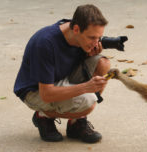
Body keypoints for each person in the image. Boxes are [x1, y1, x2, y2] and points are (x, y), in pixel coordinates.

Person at [13, 4, 111, 143]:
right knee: (89, 102)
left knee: (103, 63)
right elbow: (46, 94)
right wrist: (86, 87)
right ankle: (43, 116)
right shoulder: (45, 43)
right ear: (76, 29)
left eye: (99, 37)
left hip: (61, 76)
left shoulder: (76, 31)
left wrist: (89, 53)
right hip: (36, 90)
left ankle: (76, 123)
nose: (96, 43)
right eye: (92, 38)